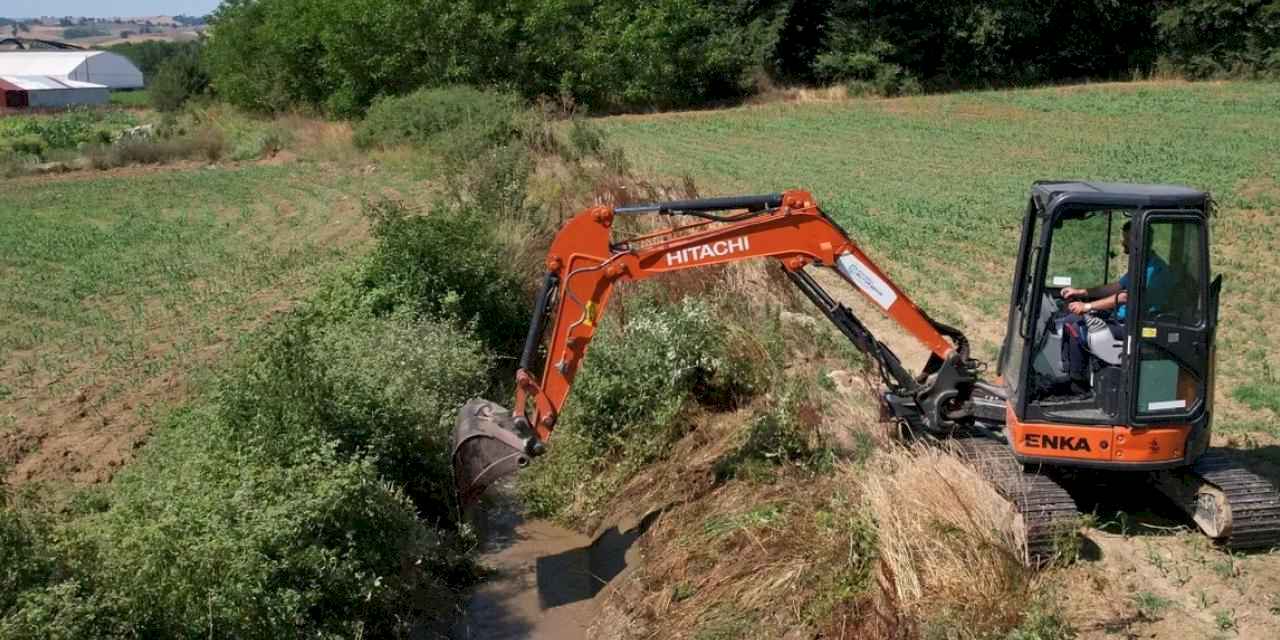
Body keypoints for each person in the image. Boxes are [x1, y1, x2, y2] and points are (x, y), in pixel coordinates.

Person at [1055, 220, 1167, 388]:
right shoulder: (1141, 264)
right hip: (1121, 318)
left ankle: (1078, 386)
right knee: (1070, 319)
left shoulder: (1152, 269)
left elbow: (1125, 297)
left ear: (1138, 241)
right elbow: (1116, 287)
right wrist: (1081, 292)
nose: (1123, 243)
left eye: (1126, 239)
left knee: (1077, 328)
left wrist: (1087, 307)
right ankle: (1069, 372)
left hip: (1134, 327)